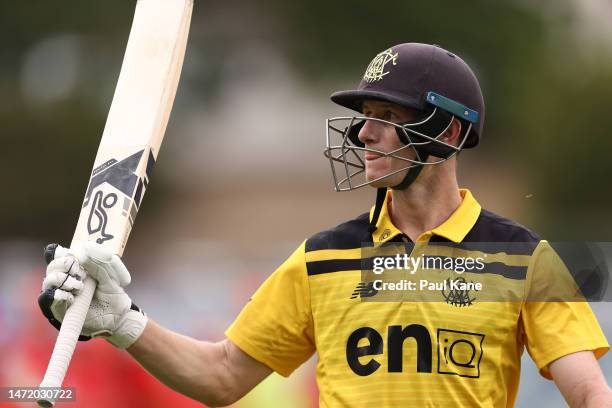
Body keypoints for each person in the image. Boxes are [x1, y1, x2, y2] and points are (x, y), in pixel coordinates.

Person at [39, 43, 612, 407]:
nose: (364, 135)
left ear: (450, 134)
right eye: (365, 119)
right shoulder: (321, 258)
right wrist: (124, 323)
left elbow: (588, 393)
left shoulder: (523, 258)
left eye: (388, 119)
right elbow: (223, 376)